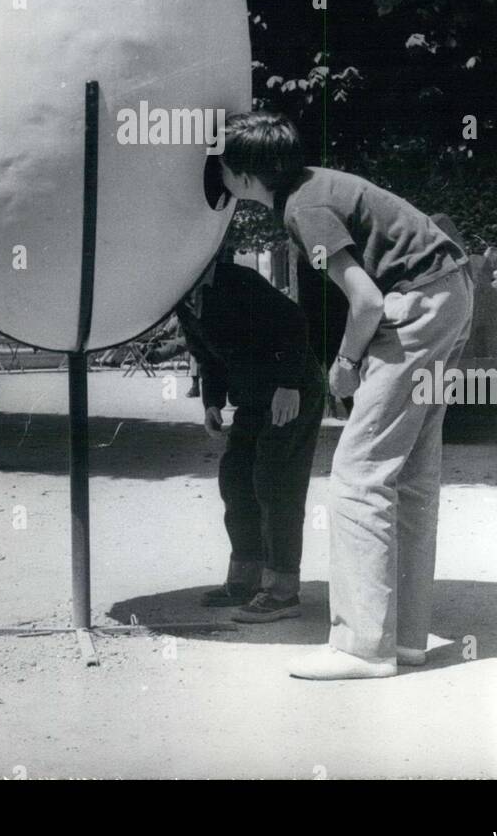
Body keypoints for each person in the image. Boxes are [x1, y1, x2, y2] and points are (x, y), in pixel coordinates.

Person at [219, 113, 473, 679]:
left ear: (240, 175)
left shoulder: (301, 209)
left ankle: (362, 647)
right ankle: (404, 639)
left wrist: (346, 365)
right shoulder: (315, 183)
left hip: (413, 307)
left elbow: (365, 301)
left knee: (358, 477)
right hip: (448, 294)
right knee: (409, 476)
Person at [176, 242, 326, 621]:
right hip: (254, 397)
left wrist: (289, 384)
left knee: (274, 481)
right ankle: (246, 578)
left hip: (291, 389)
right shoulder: (183, 298)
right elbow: (207, 356)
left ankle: (282, 591)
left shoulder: (238, 281)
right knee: (236, 478)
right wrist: (211, 402)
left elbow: (294, 321)